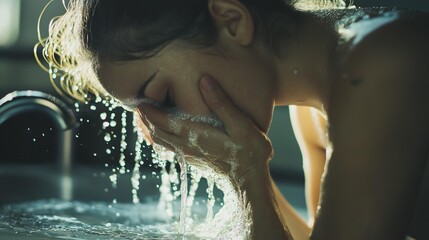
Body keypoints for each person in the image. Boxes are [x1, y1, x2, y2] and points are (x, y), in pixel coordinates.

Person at [40, 0, 429, 239]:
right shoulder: (313, 111)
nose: (174, 128)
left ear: (231, 21)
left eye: (166, 99)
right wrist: (241, 171)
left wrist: (245, 173)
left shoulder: (381, 64)